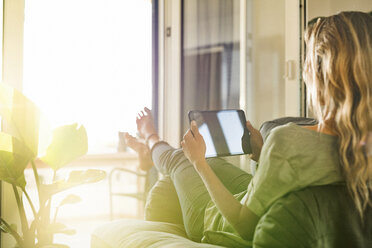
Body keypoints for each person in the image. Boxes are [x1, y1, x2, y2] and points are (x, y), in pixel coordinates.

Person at [123, 11, 372, 246]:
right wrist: (265, 154)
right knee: (215, 162)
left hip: (223, 224)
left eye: (305, 61)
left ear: (321, 75)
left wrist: (198, 161)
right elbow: (308, 171)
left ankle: (150, 138)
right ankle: (150, 157)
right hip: (252, 193)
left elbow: (244, 225)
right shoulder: (361, 145)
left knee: (180, 158)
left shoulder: (288, 139)